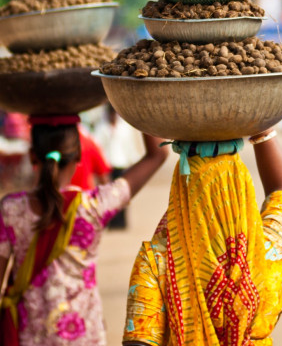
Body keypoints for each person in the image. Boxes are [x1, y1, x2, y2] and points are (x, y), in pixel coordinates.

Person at [0, 115, 167, 345]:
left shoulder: (11, 209)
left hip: (29, 337)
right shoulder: (94, 206)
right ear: (79, 156)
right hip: (85, 337)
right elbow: (158, 155)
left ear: (31, 155)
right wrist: (138, 100)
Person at [122, 128, 282, 346]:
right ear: (241, 189)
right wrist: (263, 133)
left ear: (182, 191)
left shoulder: (156, 262)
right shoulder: (268, 251)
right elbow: (281, 192)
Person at [93, 104, 145, 229]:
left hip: (122, 164)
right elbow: (98, 147)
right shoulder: (102, 128)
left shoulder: (125, 128)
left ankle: (121, 223)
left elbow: (129, 146)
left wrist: (134, 161)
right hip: (108, 165)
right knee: (108, 195)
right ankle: (111, 222)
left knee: (122, 194)